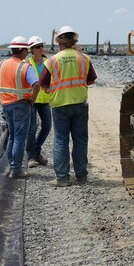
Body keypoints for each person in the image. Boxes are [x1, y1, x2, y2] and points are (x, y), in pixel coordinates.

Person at [39, 25, 96, 187]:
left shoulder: (52, 61)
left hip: (60, 105)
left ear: (59, 41)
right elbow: (91, 80)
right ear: (74, 40)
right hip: (80, 104)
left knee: (61, 141)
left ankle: (63, 178)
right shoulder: (84, 58)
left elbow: (43, 84)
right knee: (80, 140)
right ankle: (82, 177)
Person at [0, 36, 39, 179]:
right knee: (19, 138)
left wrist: (3, 95)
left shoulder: (1, 65)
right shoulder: (24, 66)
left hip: (6, 105)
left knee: (12, 136)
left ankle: (12, 165)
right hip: (20, 105)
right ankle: (17, 169)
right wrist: (33, 98)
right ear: (23, 50)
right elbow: (36, 84)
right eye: (27, 50)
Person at [24, 35, 51, 168]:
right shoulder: (27, 63)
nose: (41, 49)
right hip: (31, 100)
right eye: (37, 47)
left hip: (45, 99)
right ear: (31, 49)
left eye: (41, 46)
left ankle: (36, 150)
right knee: (32, 128)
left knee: (47, 126)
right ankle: (31, 156)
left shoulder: (48, 61)